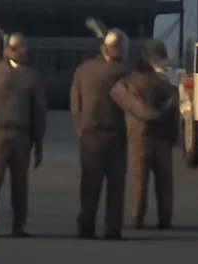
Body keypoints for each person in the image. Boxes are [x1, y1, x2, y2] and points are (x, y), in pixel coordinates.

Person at [0, 32, 47, 238]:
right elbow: (39, 111)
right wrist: (38, 139)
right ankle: (9, 225)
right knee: (10, 181)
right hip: (11, 134)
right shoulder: (31, 77)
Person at [69, 28, 132, 240]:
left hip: (90, 135)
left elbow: (75, 103)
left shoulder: (83, 70)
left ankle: (86, 228)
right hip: (116, 135)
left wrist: (80, 128)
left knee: (89, 184)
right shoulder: (125, 72)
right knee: (116, 186)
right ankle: (112, 229)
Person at [110, 40, 179, 230]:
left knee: (139, 179)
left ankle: (137, 216)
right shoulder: (167, 85)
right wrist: (174, 136)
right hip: (163, 138)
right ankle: (165, 218)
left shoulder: (130, 82)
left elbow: (116, 95)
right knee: (164, 181)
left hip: (139, 137)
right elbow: (175, 112)